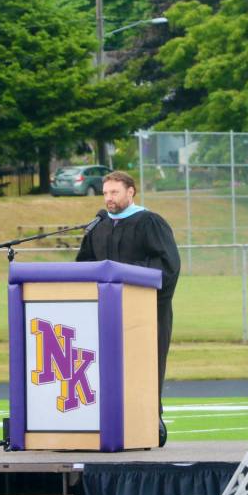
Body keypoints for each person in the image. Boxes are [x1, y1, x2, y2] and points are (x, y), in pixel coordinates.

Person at [76, 171, 180, 446]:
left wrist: (134, 290)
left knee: (145, 365)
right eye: (106, 193)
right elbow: (83, 268)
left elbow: (168, 267)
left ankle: (148, 421)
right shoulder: (98, 226)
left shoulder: (149, 222)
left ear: (131, 192)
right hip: (104, 315)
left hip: (147, 313)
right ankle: (102, 422)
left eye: (115, 193)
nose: (109, 198)